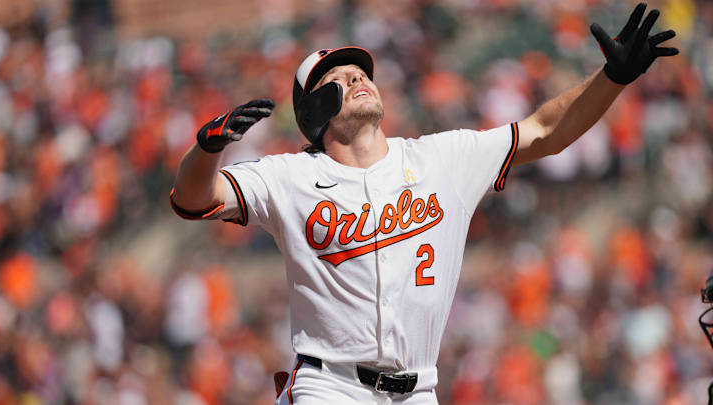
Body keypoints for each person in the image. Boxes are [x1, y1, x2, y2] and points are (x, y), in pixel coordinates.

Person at [170, 3, 678, 404]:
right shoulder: (290, 176)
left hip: (418, 390)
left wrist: (612, 80)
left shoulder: (442, 158)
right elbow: (192, 200)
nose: (356, 78)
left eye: (360, 71)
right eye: (338, 78)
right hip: (330, 389)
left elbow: (545, 131)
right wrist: (207, 148)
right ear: (313, 111)